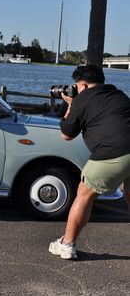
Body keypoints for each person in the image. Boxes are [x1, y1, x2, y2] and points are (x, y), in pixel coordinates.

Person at [49, 64, 130, 260]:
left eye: (76, 85)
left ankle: (67, 244)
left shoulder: (83, 98)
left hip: (112, 152)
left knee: (84, 195)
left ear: (83, 85)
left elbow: (66, 134)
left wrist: (70, 104)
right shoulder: (118, 94)